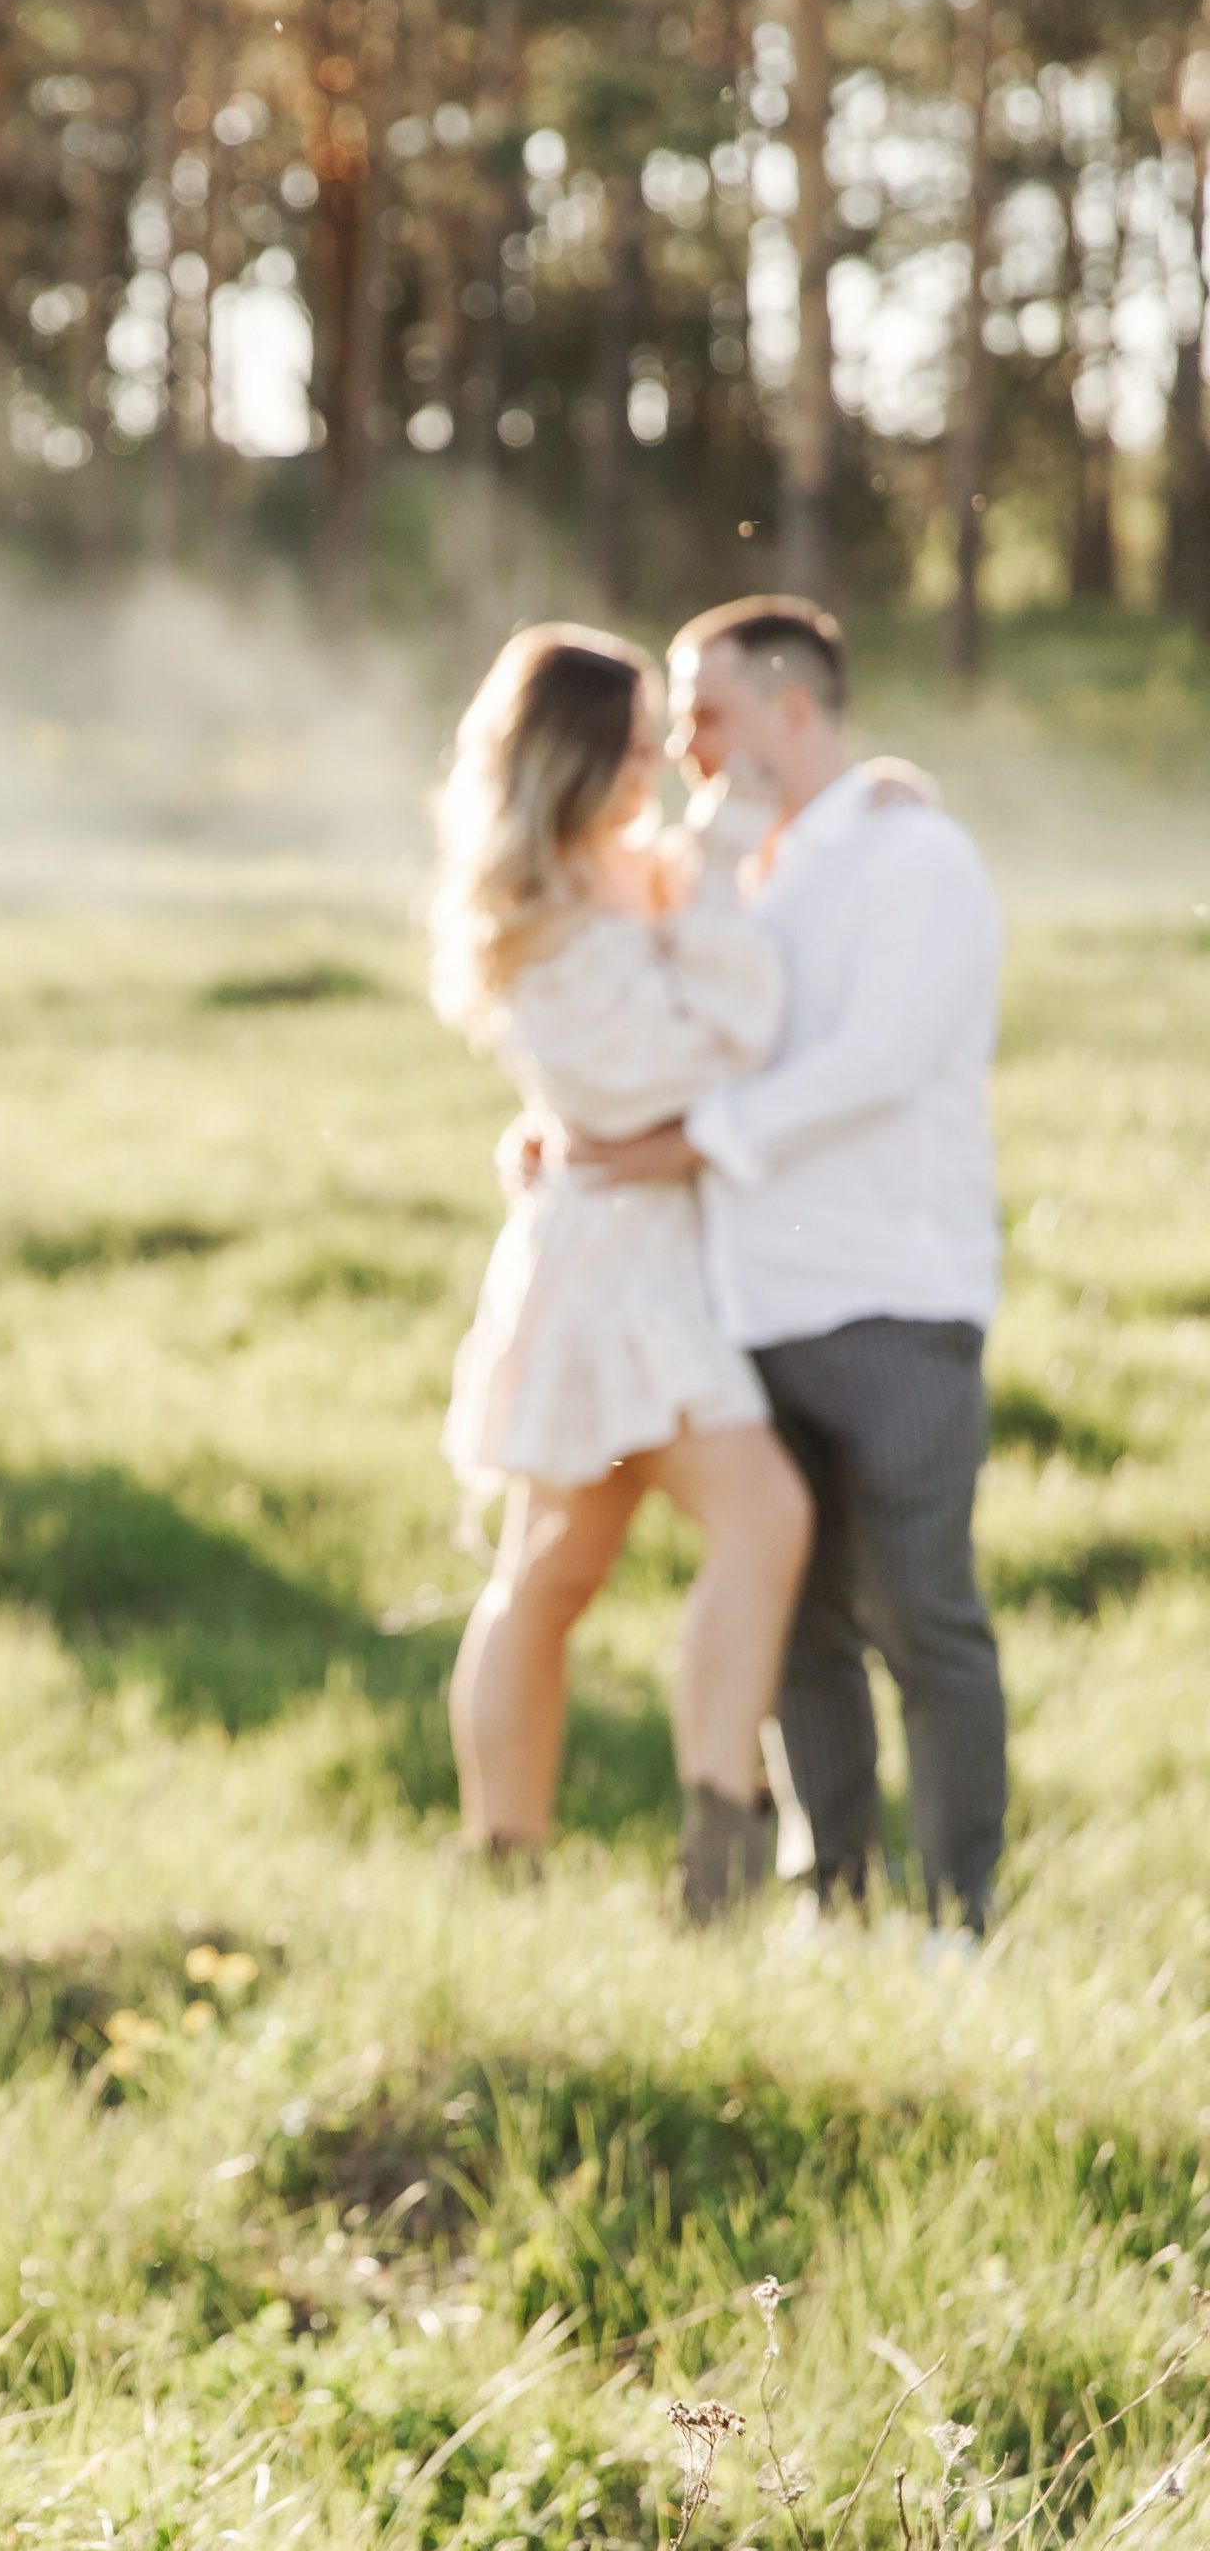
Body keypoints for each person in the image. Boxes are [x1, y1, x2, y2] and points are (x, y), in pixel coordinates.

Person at [555, 598, 1007, 1937]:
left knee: (922, 1614)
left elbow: (883, 1060)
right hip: (752, 1300)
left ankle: (960, 1918)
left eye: (708, 713)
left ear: (793, 710)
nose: (686, 746)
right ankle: (839, 1893)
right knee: (801, 1623)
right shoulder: (739, 862)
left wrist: (694, 1142)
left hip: (893, 1299)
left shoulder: (916, 857)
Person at [432, 622, 815, 1916]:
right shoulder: (539, 918)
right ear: (574, 759)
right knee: (560, 1571)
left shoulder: (617, 870)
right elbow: (723, 1042)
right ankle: (513, 1858)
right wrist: (707, 872)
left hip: (660, 1266)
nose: (663, 762)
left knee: (578, 1565)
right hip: (606, 1278)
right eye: (639, 742)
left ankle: (707, 1862)